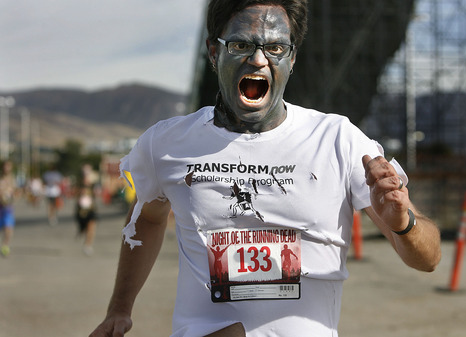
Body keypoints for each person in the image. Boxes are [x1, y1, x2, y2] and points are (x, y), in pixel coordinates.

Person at [90, 1, 441, 336]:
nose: (258, 59)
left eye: (275, 48)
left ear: (291, 59)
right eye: (241, 44)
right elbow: (148, 219)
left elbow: (429, 258)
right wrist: (119, 308)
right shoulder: (166, 144)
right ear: (214, 52)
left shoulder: (339, 141)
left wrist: (403, 225)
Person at [75, 164, 99, 256]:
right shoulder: (79, 184)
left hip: (91, 209)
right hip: (81, 210)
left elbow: (96, 195)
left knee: (91, 227)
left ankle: (87, 245)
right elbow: (75, 195)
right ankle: (81, 231)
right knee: (83, 229)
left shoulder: (93, 185)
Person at [0, 161, 18, 257]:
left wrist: (13, 197)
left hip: (8, 208)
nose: (7, 168)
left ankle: (5, 246)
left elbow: (15, 192)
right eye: (5, 166)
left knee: (8, 228)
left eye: (9, 166)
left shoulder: (12, 179)